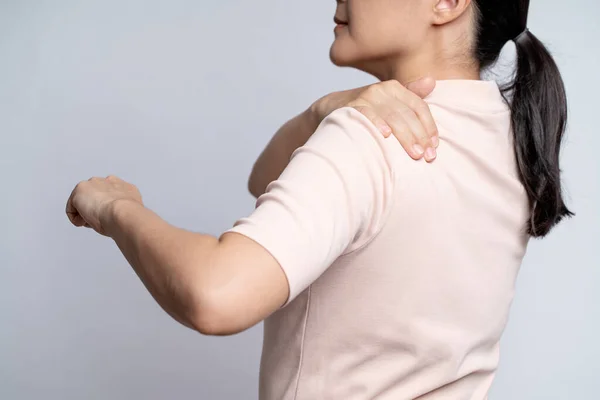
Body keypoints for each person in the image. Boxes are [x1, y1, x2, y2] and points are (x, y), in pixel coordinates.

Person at [65, 0, 572, 398]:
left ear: (447, 2)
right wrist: (322, 113)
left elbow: (214, 296)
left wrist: (116, 208)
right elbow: (265, 179)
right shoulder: (505, 135)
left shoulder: (371, 137)